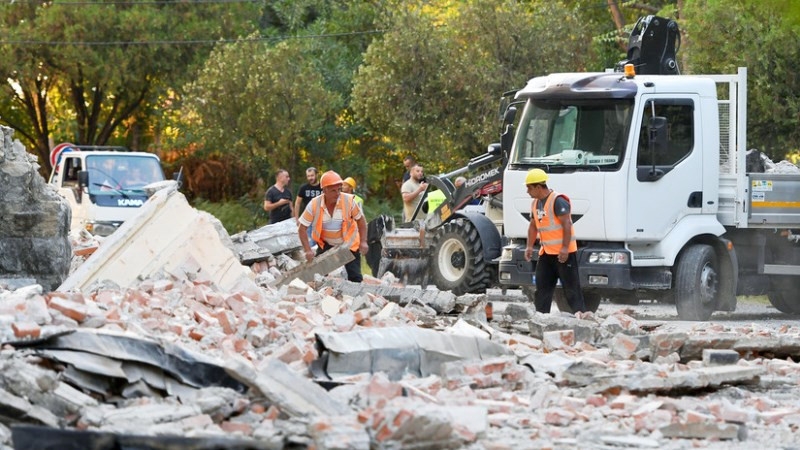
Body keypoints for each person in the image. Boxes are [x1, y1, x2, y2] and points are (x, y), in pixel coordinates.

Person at [523, 168, 585, 314]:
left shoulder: (558, 201)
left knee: (571, 290)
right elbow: (533, 227)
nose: (527, 192)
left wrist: (564, 248)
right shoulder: (535, 204)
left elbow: (567, 225)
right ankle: (541, 319)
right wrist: (529, 247)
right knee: (542, 289)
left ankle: (583, 319)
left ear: (538, 187)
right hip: (546, 253)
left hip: (564, 254)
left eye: (529, 188)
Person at [297, 170, 369, 282]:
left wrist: (363, 241)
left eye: (339, 189)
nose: (337, 193)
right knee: (317, 275)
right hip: (326, 243)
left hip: (349, 243)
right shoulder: (314, 204)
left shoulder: (348, 201)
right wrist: (307, 250)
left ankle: (357, 297)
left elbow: (361, 221)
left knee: (355, 276)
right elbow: (302, 229)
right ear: (324, 190)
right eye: (333, 190)